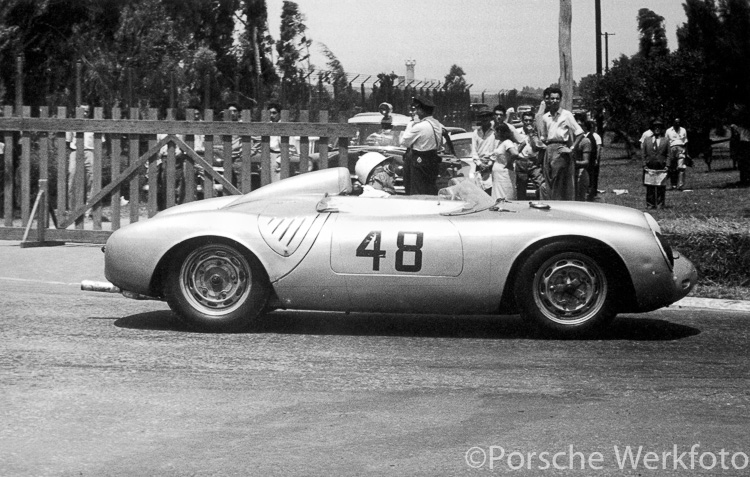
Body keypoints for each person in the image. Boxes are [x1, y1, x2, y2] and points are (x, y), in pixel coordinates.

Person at [540, 87, 583, 201]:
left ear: (560, 100)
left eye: (557, 99)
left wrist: (571, 148)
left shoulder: (566, 115)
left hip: (560, 149)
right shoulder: (545, 117)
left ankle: (559, 207)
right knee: (548, 180)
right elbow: (544, 137)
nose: (554, 101)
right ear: (548, 100)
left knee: (558, 181)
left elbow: (579, 133)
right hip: (549, 149)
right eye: (552, 98)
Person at [400, 96, 446, 195]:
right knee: (430, 188)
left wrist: (410, 125)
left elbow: (404, 142)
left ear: (422, 111)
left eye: (417, 109)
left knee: (417, 189)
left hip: (420, 160)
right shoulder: (437, 124)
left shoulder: (419, 126)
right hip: (433, 159)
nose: (415, 112)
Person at [66, 104, 106, 213]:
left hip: (90, 152)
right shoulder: (72, 124)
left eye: (87, 111)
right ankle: (73, 210)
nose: (85, 113)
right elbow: (67, 141)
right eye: (82, 110)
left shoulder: (94, 123)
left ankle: (90, 209)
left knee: (93, 178)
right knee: (72, 176)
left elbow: (100, 142)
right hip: (75, 151)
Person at [516, 110, 546, 200]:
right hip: (521, 162)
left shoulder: (537, 133)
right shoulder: (517, 132)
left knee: (541, 184)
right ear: (522, 121)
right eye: (526, 120)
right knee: (521, 188)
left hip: (533, 162)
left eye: (530, 120)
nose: (528, 122)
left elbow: (538, 147)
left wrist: (532, 134)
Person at [641, 118, 669, 209]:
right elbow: (643, 153)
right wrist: (644, 164)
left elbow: (669, 154)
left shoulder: (666, 140)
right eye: (655, 127)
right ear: (652, 129)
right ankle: (650, 204)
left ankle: (660, 204)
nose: (657, 129)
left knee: (661, 187)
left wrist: (667, 165)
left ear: (661, 129)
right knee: (650, 187)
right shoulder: (647, 140)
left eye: (659, 127)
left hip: (661, 166)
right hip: (650, 166)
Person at [468, 109, 498, 193]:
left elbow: (496, 150)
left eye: (487, 117)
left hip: (491, 165)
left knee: (491, 191)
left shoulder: (494, 132)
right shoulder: (475, 133)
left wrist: (489, 164)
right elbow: (474, 150)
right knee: (480, 191)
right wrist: (479, 164)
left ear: (490, 118)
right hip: (479, 165)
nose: (485, 119)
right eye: (482, 117)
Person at [489, 123, 519, 200]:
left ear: (500, 132)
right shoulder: (500, 143)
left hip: (504, 176)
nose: (494, 134)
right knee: (497, 196)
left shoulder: (507, 142)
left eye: (495, 131)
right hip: (498, 176)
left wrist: (509, 163)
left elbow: (515, 153)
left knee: (505, 195)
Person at [572, 113, 592, 201]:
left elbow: (586, 162)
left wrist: (573, 163)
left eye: (580, 125)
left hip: (580, 174)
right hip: (569, 174)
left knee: (579, 200)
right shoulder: (569, 140)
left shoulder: (585, 141)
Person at [665, 117, 688, 190]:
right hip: (672, 149)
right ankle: (673, 185)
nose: (677, 124)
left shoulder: (683, 130)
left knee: (681, 168)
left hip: (681, 149)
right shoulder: (668, 131)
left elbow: (685, 142)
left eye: (679, 122)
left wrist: (686, 153)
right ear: (673, 123)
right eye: (676, 122)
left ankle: (680, 185)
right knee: (672, 168)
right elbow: (666, 142)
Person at [587, 121, 602, 201]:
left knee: (594, 176)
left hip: (593, 158)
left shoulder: (596, 136)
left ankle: (593, 192)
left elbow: (598, 148)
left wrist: (597, 158)